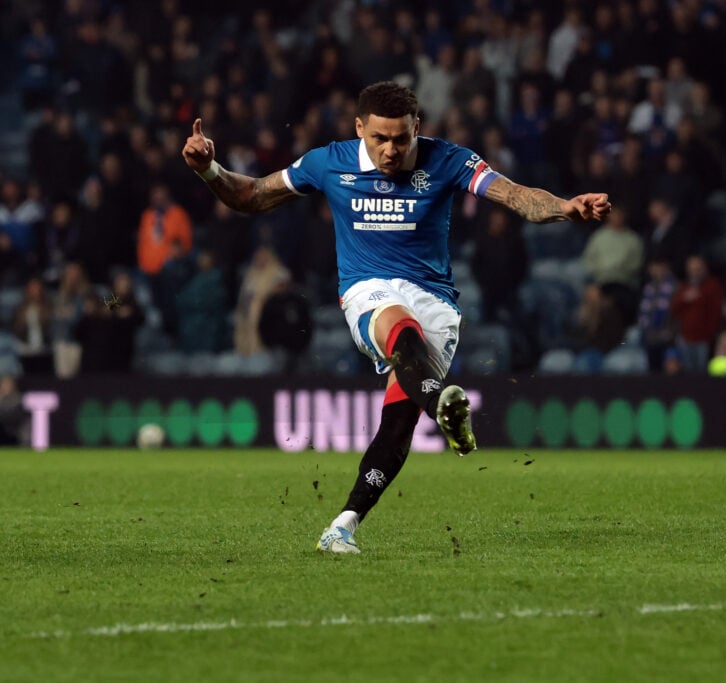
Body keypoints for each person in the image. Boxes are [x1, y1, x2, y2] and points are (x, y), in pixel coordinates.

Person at [181, 81, 610, 554]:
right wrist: (210, 170)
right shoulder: (329, 162)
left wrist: (566, 207)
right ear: (359, 128)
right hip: (368, 289)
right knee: (397, 326)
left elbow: (513, 195)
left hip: (437, 302)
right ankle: (441, 403)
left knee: (397, 426)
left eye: (401, 139)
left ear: (416, 129)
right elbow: (253, 196)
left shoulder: (446, 159)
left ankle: (342, 524)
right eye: (379, 138)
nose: (390, 150)